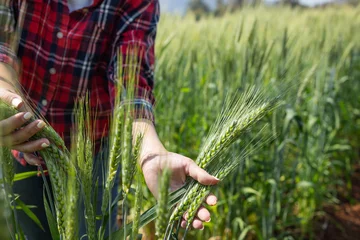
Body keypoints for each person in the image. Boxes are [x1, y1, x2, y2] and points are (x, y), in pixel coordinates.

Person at [0, 0, 218, 239]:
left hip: (93, 159)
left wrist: (149, 152)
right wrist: (8, 100)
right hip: (18, 146)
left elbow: (130, 81)